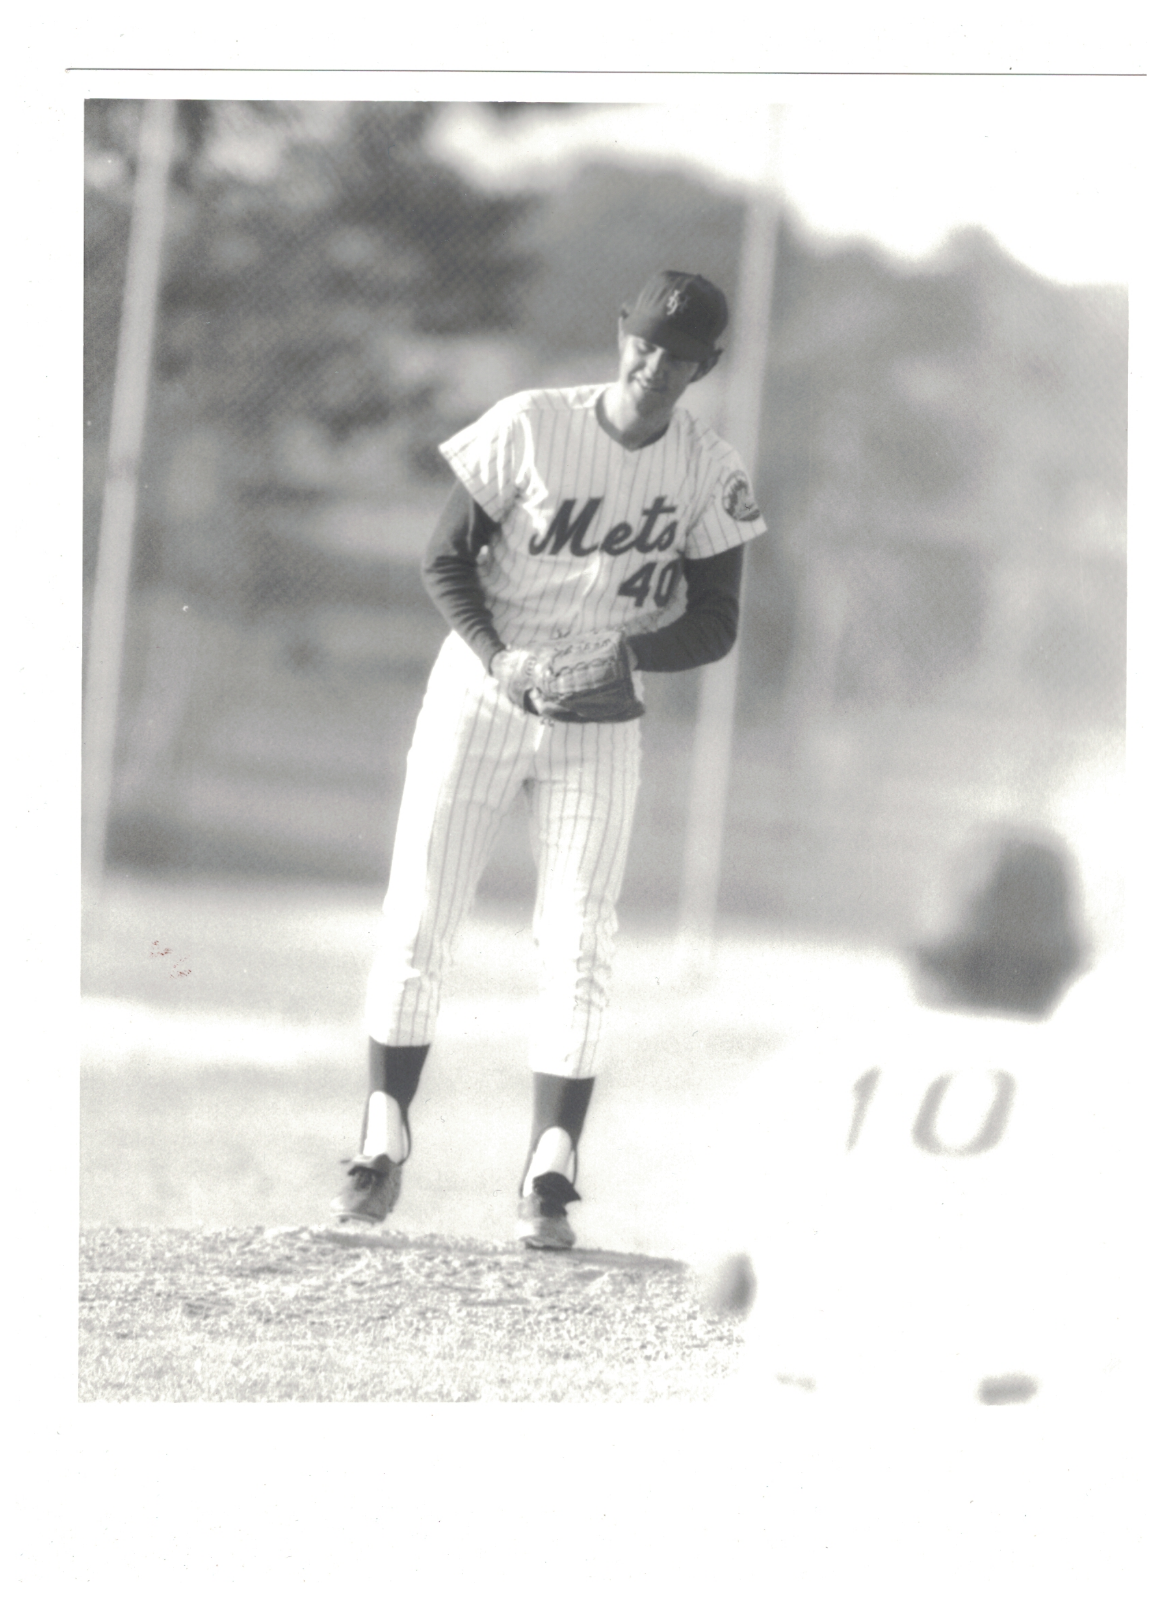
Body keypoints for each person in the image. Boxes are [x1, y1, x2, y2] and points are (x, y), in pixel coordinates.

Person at [331, 269, 768, 1247]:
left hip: (600, 719)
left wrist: (628, 653)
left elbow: (717, 622)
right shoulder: (531, 423)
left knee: (578, 937)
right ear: (621, 335)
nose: (655, 365)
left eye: (678, 353)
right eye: (644, 343)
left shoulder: (707, 468)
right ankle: (379, 1139)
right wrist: (500, 658)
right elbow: (442, 560)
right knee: (421, 913)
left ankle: (548, 1169)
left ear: (706, 365)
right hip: (483, 693)